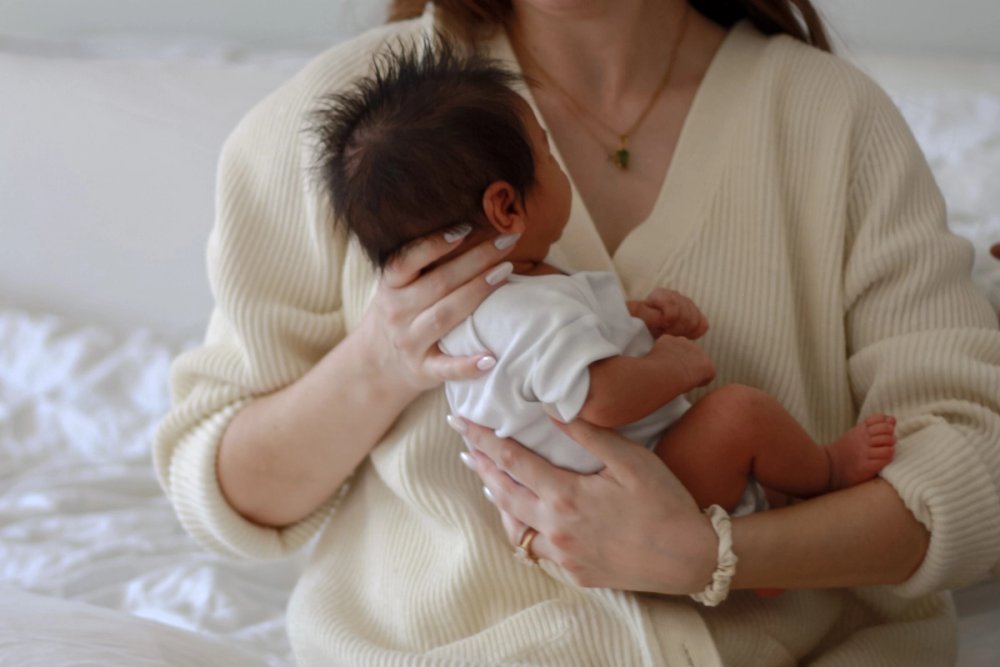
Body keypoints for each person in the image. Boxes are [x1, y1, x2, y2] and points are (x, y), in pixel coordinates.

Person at [153, 0, 1000, 665]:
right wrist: (383, 358)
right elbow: (222, 489)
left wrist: (716, 554)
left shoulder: (831, 119)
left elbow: (971, 461)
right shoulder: (352, 137)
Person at [313, 41, 897, 526]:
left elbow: (562, 365)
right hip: (642, 494)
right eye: (547, 156)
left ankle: (759, 527)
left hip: (604, 503)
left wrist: (638, 322)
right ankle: (827, 471)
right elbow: (601, 398)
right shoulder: (526, 312)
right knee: (738, 414)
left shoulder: (490, 310)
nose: (558, 164)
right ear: (506, 208)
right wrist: (677, 364)